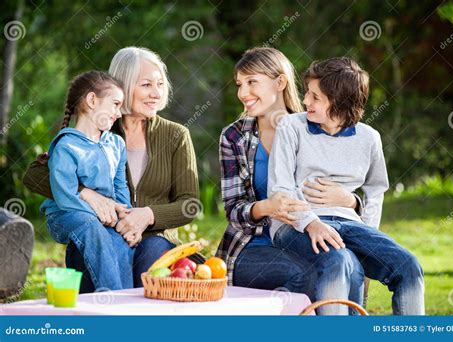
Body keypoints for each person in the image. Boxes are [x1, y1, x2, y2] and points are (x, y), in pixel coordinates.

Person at [23, 47, 201, 291]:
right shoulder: (101, 128)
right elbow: (34, 175)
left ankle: (126, 317)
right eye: (147, 85)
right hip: (103, 228)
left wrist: (146, 215)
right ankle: (96, 320)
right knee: (87, 246)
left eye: (160, 84)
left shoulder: (176, 135)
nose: (156, 93)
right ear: (124, 86)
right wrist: (86, 193)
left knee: (147, 265)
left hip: (153, 236)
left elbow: (189, 204)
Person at [268, 57, 425, 315]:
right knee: (338, 260)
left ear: (339, 102)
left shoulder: (369, 138)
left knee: (409, 266)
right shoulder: (291, 126)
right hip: (293, 223)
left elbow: (375, 190)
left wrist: (369, 236)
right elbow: (281, 187)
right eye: (307, 92)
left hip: (350, 223)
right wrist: (311, 223)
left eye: (315, 97)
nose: (305, 101)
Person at [216, 47, 365, 314]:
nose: (242, 93)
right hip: (254, 244)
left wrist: (352, 201)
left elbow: (344, 194)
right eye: (240, 84)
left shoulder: (317, 127)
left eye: (252, 82)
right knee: (311, 273)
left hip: (310, 236)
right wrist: (266, 208)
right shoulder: (234, 137)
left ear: (280, 82)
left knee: (350, 267)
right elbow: (233, 209)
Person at [41, 70, 134, 290]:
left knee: (120, 240)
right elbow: (65, 197)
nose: (119, 113)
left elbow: (121, 188)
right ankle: (113, 301)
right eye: (115, 104)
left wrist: (124, 216)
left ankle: (126, 302)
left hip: (103, 217)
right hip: (64, 215)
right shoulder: (66, 146)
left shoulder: (116, 144)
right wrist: (102, 213)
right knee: (92, 228)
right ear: (92, 100)